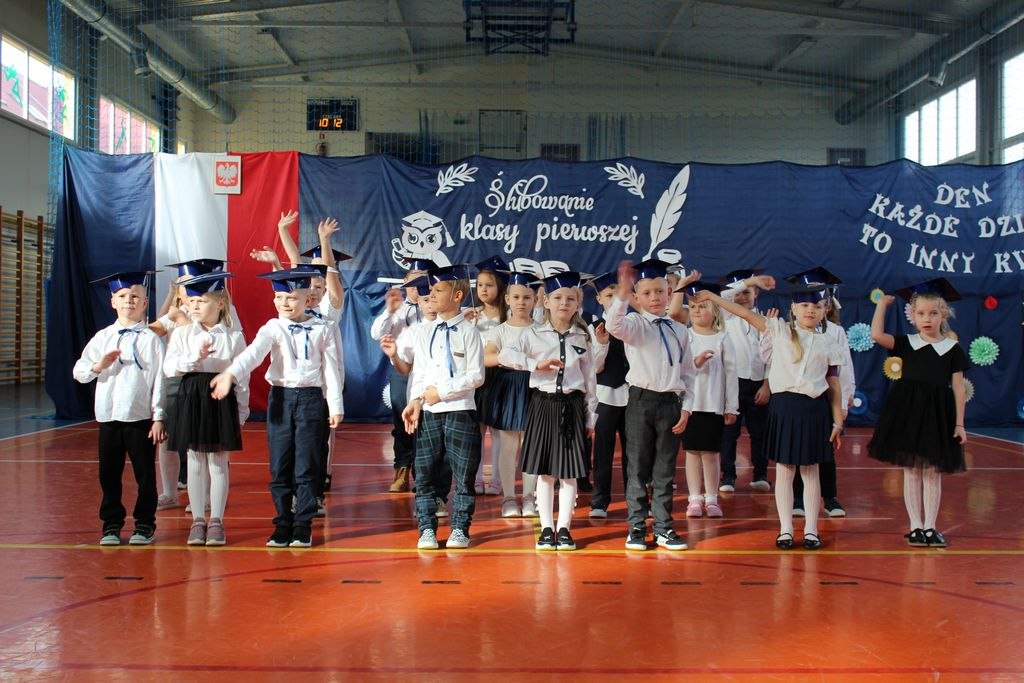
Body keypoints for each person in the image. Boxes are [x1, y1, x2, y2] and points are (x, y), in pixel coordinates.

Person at [693, 281, 843, 550]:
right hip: (784, 407)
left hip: (814, 410)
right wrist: (714, 298)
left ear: (824, 311)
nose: (810, 310)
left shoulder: (829, 342)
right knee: (784, 470)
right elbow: (744, 313)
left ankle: (811, 529)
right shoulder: (779, 330)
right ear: (793, 309)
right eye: (804, 305)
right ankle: (786, 529)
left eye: (817, 306)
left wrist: (838, 421)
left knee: (810, 470)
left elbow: (833, 383)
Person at [210, 267, 344, 549]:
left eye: (291, 297)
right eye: (279, 297)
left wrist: (334, 405)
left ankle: (303, 525)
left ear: (308, 300)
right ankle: (283, 522)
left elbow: (332, 370)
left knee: (307, 465)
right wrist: (230, 374)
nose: (284, 303)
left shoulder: (324, 329)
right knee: (280, 465)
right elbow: (253, 354)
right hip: (281, 399)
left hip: (311, 400)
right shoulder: (273, 328)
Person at [388, 264, 484, 550]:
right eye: (431, 290)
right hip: (429, 413)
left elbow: (476, 376)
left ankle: (460, 528)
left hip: (460, 411)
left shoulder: (469, 331)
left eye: (438, 290)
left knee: (464, 474)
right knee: (425, 472)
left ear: (457, 296)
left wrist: (441, 393)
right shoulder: (423, 331)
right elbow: (420, 372)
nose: (431, 295)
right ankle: (427, 528)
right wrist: (415, 401)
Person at [499, 271, 597, 550]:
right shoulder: (532, 334)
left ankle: (564, 528)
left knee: (568, 473)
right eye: (557, 298)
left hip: (572, 407)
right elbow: (505, 355)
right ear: (546, 302)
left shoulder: (583, 336)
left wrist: (591, 416)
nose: (564, 303)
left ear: (578, 304)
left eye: (570, 299)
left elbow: (590, 380)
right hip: (542, 405)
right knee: (545, 472)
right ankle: (546, 528)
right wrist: (535, 365)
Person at [868, 278, 969, 548]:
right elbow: (877, 335)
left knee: (932, 472)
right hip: (909, 413)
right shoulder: (907, 343)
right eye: (921, 313)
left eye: (933, 313)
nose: (927, 318)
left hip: (938, 416)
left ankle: (930, 527)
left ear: (943, 315)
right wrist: (882, 305)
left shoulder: (952, 349)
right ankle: (915, 526)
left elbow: (958, 388)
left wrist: (959, 424)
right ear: (912, 315)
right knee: (912, 471)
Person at [606, 259, 696, 551]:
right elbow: (614, 325)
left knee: (665, 469)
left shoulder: (680, 330)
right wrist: (621, 294)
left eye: (660, 291)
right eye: (646, 293)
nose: (655, 297)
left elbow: (688, 374)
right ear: (637, 297)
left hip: (670, 403)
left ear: (669, 293)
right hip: (641, 401)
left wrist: (687, 408)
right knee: (637, 466)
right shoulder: (635, 325)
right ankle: (636, 526)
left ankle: (663, 527)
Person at [73, 271, 166, 546]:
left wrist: (159, 416)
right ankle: (111, 524)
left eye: (135, 296)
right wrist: (98, 366)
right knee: (109, 474)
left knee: (145, 474)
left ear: (145, 303)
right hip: (109, 417)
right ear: (113, 301)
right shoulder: (103, 337)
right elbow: (79, 372)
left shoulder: (151, 339)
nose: (129, 301)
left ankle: (145, 524)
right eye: (123, 296)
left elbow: (160, 380)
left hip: (139, 417)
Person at [164, 271, 249, 546]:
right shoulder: (182, 333)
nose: (195, 306)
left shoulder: (233, 336)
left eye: (201, 300)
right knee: (195, 460)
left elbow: (242, 376)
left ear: (220, 303)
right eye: (191, 301)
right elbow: (169, 367)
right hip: (192, 396)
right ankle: (198, 520)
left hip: (219, 398)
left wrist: (242, 411)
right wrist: (193, 358)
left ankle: (216, 521)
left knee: (218, 461)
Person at [783, 268, 854, 518]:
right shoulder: (789, 331)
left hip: (824, 398)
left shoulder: (835, 332)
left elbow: (843, 370)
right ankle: (798, 499)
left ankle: (830, 497)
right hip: (797, 398)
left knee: (824, 451)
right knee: (795, 451)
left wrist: (842, 403)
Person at [370, 259, 436, 493]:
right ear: (405, 283)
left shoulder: (435, 308)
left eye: (423, 280)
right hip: (402, 370)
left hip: (430, 373)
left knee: (426, 424)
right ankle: (402, 469)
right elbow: (376, 333)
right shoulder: (397, 309)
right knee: (402, 422)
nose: (418, 286)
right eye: (413, 281)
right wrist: (390, 311)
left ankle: (423, 475)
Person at [482, 271, 540, 518]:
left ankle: (528, 497)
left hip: (535, 386)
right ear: (507, 299)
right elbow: (486, 357)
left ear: (535, 300)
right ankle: (508, 497)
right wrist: (506, 357)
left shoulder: (541, 330)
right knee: (507, 444)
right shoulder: (500, 331)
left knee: (531, 445)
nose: (521, 302)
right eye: (516, 297)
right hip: (507, 387)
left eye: (527, 297)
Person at [679, 281, 738, 518]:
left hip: (713, 405)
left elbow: (731, 374)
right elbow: (680, 369)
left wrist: (731, 406)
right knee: (692, 452)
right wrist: (697, 362)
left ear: (714, 311)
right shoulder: (685, 336)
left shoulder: (723, 338)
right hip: (689, 406)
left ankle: (712, 498)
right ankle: (694, 498)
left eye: (702, 306)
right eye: (693, 306)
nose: (696, 311)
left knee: (711, 453)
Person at [717, 269, 773, 493]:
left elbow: (773, 356)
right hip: (732, 384)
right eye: (737, 293)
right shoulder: (726, 317)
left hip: (759, 384)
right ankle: (728, 476)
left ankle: (760, 475)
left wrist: (767, 385)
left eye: (747, 293)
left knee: (760, 433)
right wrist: (750, 281)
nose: (741, 297)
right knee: (729, 433)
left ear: (756, 293)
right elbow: (724, 295)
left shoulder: (766, 320)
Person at [586, 272, 629, 519]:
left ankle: (636, 500)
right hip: (605, 396)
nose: (613, 300)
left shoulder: (633, 325)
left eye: (617, 295)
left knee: (634, 452)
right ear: (599, 299)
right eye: (609, 295)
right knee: (603, 451)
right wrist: (602, 344)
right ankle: (600, 501)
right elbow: (594, 368)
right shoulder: (593, 328)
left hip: (632, 395)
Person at [469, 256, 508, 495]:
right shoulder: (471, 316)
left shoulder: (509, 317)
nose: (483, 289)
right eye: (480, 285)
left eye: (489, 285)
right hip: (477, 378)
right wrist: (467, 325)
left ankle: (496, 478)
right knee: (476, 430)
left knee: (499, 432)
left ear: (501, 287)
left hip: (501, 378)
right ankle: (475, 478)